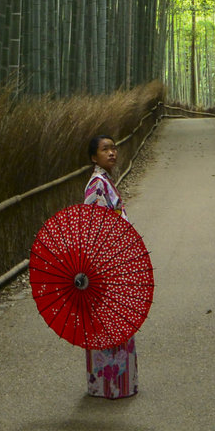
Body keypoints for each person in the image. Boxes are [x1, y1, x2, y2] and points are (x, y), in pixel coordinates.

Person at [79, 133, 137, 399]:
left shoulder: (105, 182)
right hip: (105, 264)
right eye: (105, 150)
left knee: (114, 323)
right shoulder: (97, 185)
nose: (112, 153)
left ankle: (114, 384)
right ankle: (110, 385)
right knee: (109, 323)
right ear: (94, 157)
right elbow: (96, 227)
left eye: (114, 148)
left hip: (114, 259)